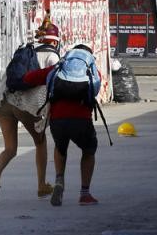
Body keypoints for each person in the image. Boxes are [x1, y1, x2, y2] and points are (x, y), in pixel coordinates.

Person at [0, 18, 61, 203]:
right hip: (27, 106)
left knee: (10, 148)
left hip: (4, 102)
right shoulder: (53, 56)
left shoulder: (25, 51)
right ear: (55, 40)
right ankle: (42, 186)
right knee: (40, 143)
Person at [22, 44, 101, 207]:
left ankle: (59, 181)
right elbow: (94, 90)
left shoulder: (59, 68)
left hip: (58, 120)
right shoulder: (90, 69)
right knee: (88, 151)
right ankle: (84, 194)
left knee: (60, 148)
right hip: (81, 120)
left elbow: (29, 78)